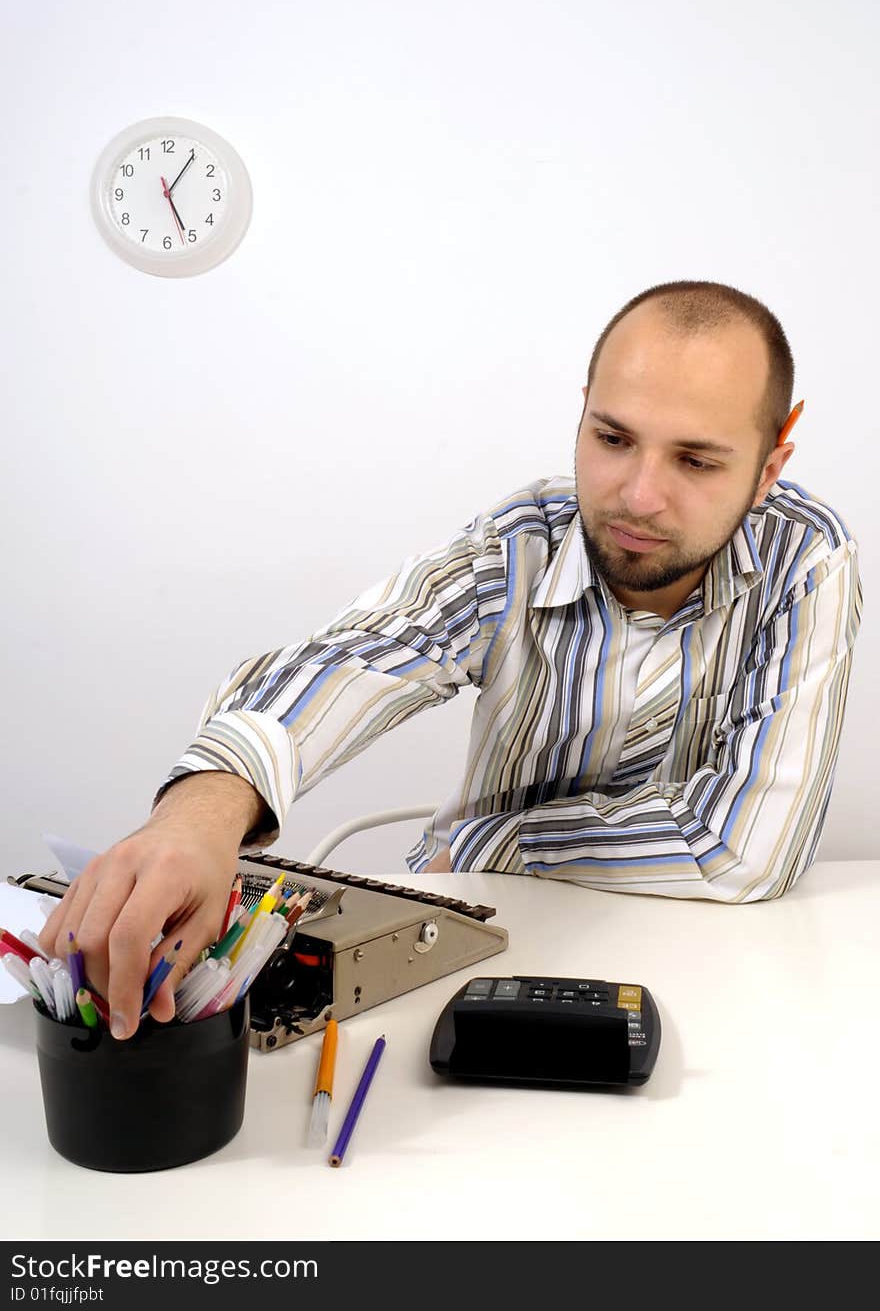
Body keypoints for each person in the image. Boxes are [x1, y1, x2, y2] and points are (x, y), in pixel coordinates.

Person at [39, 280, 862, 1039]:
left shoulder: (809, 560)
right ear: (582, 412)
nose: (639, 495)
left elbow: (745, 849)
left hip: (727, 983)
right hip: (492, 945)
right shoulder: (520, 542)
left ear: (770, 466)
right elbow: (359, 653)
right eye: (612, 437)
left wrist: (487, 843)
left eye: (696, 459)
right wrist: (203, 813)